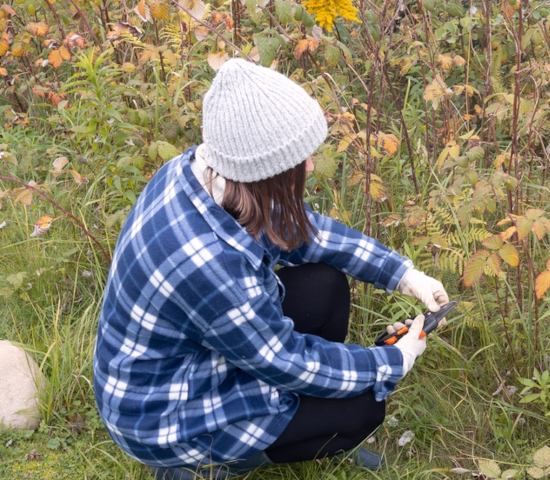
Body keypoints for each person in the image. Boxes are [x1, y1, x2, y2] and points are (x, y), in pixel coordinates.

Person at [92, 58, 449, 479]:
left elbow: (304, 231)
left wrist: (402, 273)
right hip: (160, 415)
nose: (311, 166)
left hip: (184, 358)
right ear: (263, 171)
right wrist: (390, 361)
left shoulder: (201, 171)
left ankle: (297, 425)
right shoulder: (209, 261)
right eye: (301, 159)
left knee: (325, 286)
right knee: (362, 408)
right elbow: (284, 359)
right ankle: (203, 466)